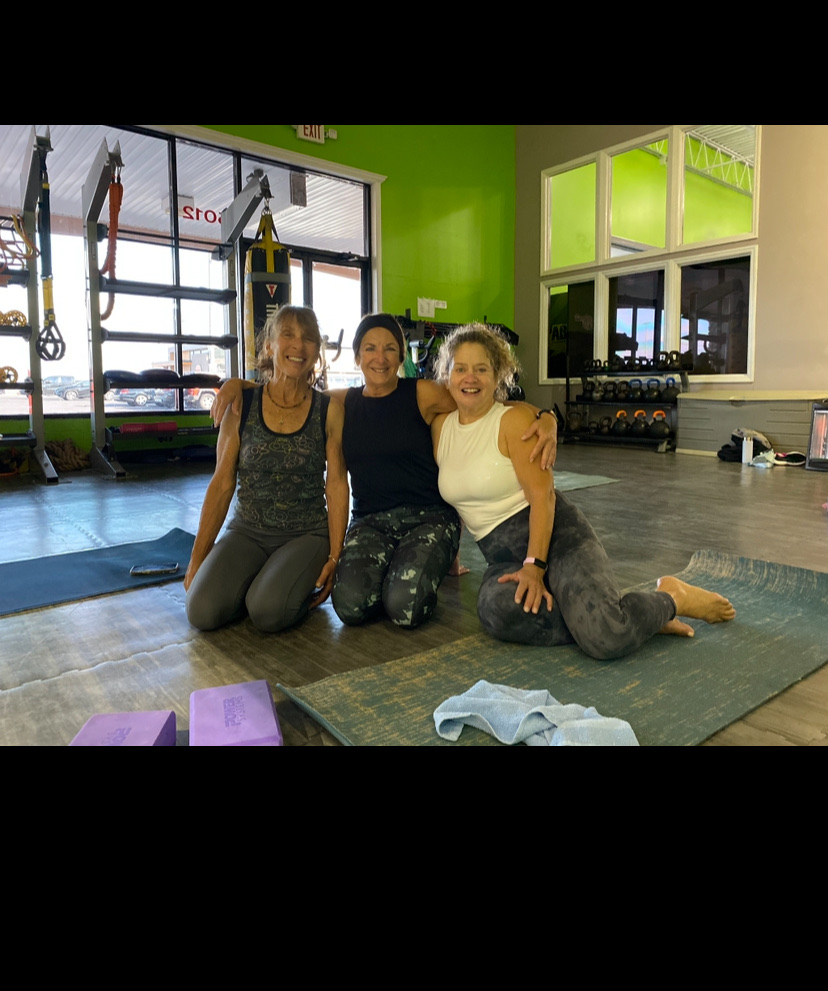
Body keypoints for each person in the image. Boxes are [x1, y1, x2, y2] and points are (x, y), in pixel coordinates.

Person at [213, 313, 557, 630]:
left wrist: (545, 417)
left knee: (404, 608)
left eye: (390, 348)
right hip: (370, 521)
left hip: (429, 518)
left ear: (401, 356)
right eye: (370, 349)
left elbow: (482, 400)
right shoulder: (341, 402)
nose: (380, 357)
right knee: (349, 607)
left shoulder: (422, 394)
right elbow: (288, 393)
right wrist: (240, 386)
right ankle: (396, 572)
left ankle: (413, 574)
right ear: (357, 357)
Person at [431, 323, 736, 660]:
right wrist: (454, 556)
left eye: (481, 369)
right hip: (503, 558)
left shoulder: (513, 421)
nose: (470, 378)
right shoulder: (441, 428)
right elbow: (457, 496)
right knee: (494, 611)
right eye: (460, 369)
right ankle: (623, 619)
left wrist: (534, 566)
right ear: (447, 375)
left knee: (605, 638)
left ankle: (670, 598)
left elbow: (543, 498)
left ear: (498, 375)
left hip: (560, 540)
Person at [184, 306, 348, 633]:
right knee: (200, 611)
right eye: (288, 334)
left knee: (267, 611)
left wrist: (335, 556)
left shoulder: (329, 410)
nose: (298, 345)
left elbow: (337, 484)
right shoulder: (240, 405)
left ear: (317, 351)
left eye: (309, 338)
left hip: (306, 534)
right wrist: (197, 559)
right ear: (269, 345)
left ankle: (271, 588)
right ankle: (261, 583)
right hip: (247, 531)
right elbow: (222, 484)